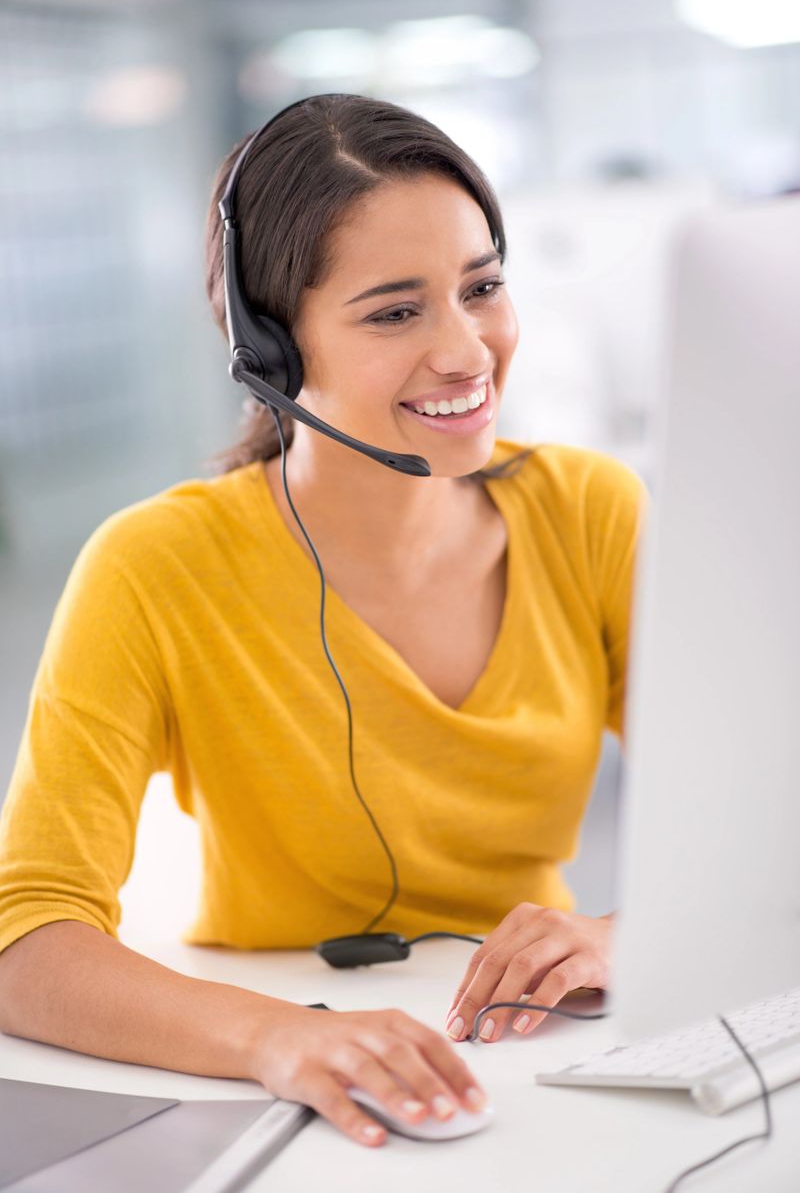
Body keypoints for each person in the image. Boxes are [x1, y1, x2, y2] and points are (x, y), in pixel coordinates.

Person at [0, 94, 646, 1148]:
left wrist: (631, 934)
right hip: (279, 1090)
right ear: (272, 346)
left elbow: (757, 836)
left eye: (480, 287)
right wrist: (280, 1039)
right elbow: (23, 939)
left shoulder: (590, 513)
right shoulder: (155, 566)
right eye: (394, 311)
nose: (466, 350)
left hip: (530, 1060)